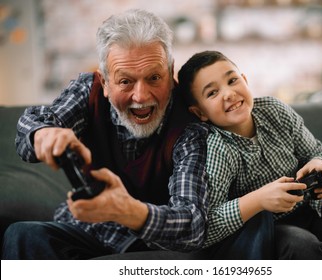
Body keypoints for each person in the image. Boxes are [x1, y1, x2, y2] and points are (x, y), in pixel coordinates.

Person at [2, 9, 209, 260]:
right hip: (90, 229)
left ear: (170, 71)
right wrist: (44, 134)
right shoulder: (89, 91)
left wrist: (126, 211)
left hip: (149, 244)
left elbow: (192, 225)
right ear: (106, 82)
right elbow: (33, 127)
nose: (141, 96)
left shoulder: (189, 123)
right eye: (125, 82)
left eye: (154, 77)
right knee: (22, 235)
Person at [177, 50, 322, 259]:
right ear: (200, 112)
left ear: (245, 80)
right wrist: (258, 200)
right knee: (302, 246)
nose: (229, 93)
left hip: (310, 209)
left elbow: (315, 151)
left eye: (232, 81)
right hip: (261, 230)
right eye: (212, 93)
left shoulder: (274, 109)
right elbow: (206, 228)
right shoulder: (216, 149)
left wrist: (319, 164)